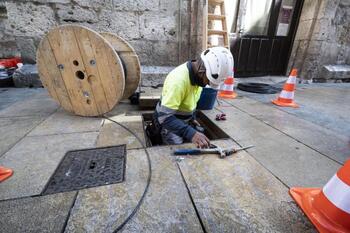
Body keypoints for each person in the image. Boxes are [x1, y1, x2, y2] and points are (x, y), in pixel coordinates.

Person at [152, 47, 234, 148]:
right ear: (202, 70)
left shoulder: (198, 77)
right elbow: (164, 117)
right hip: (168, 124)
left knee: (197, 136)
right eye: (208, 81)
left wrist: (192, 118)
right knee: (179, 154)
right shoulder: (178, 81)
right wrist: (190, 133)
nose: (208, 84)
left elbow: (190, 102)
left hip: (182, 120)